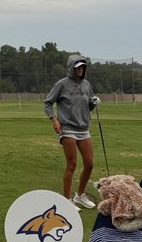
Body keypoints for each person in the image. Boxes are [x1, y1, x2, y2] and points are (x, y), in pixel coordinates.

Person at [43, 52, 100, 208]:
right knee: (72, 164)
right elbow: (47, 103)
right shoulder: (61, 84)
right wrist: (53, 119)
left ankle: (79, 196)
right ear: (71, 68)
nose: (80, 69)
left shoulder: (87, 85)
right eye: (77, 67)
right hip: (67, 128)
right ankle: (66, 200)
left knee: (89, 164)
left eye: (82, 67)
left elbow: (88, 106)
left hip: (84, 128)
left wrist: (93, 103)